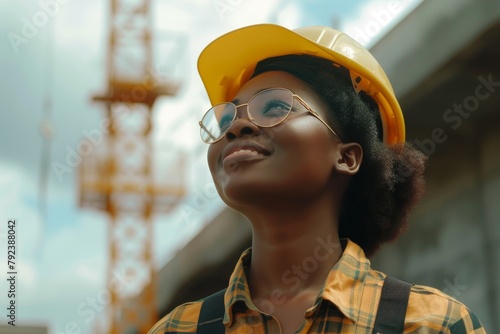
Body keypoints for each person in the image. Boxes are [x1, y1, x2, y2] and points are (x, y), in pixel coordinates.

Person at [149, 24, 486, 334]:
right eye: (227, 118)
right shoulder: (176, 329)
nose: (237, 126)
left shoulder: (430, 324)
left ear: (346, 157)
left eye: (274, 106)